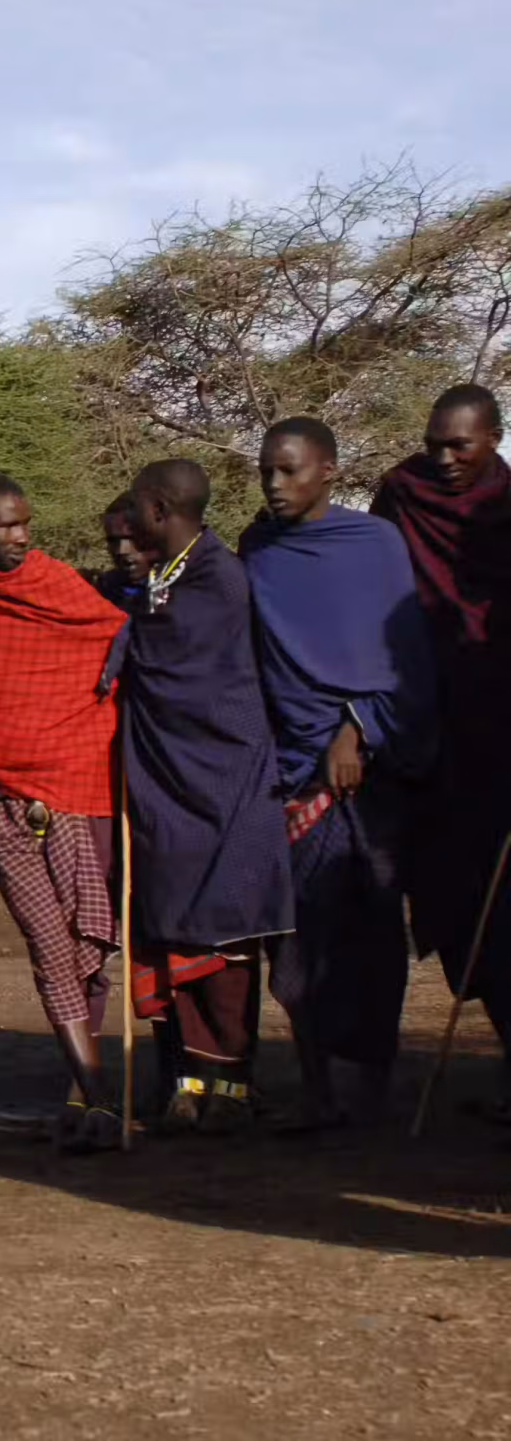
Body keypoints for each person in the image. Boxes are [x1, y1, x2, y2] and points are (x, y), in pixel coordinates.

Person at [244, 419, 435, 1128]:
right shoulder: (257, 549)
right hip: (292, 771)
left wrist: (357, 728)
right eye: (267, 471)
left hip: (373, 776)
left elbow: (405, 660)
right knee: (296, 941)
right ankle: (318, 1091)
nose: (274, 485)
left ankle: (374, 1090)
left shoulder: (375, 546)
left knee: (375, 933)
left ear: (328, 469)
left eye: (289, 471)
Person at [0, 472, 130, 1151]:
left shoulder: (54, 583)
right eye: (6, 526)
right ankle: (101, 1096)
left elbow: (113, 634)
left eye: (25, 524)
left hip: (72, 789)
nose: (21, 537)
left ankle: (86, 1094)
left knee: (85, 946)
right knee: (51, 950)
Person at [120, 458, 293, 1135]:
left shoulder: (217, 578)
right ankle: (189, 1077)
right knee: (175, 927)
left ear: (161, 509)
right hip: (172, 790)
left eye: (136, 510)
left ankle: (232, 1078)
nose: (129, 523)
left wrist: (122, 645)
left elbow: (182, 675)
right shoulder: (170, 576)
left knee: (227, 933)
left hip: (225, 781)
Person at [371, 384, 511, 1101]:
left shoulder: (506, 510)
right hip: (426, 726)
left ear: (494, 436)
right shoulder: (402, 492)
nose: (445, 459)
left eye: (460, 444)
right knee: (452, 904)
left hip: (500, 731)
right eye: (435, 444)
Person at [97, 496, 151, 609]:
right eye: (113, 541)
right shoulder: (104, 591)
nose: (122, 550)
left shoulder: (186, 591)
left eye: (132, 538)